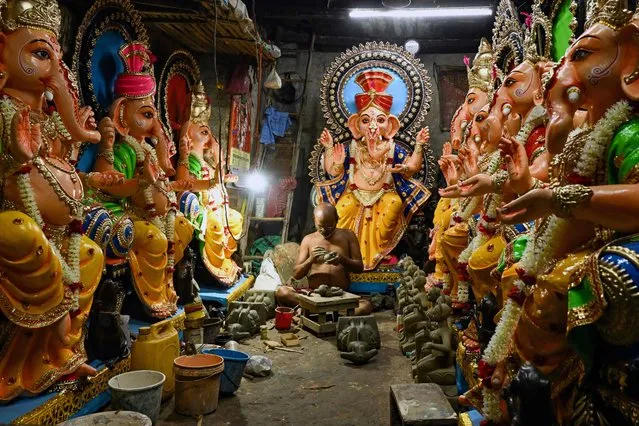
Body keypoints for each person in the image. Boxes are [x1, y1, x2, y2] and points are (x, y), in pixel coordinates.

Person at [275, 203, 373, 316]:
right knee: (282, 292)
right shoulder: (308, 240)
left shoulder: (348, 236)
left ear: (337, 219)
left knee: (366, 305)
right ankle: (332, 314)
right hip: (314, 295)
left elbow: (359, 268)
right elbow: (296, 274)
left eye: (329, 226)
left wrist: (342, 259)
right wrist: (311, 259)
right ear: (314, 220)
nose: (324, 230)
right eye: (320, 226)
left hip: (340, 295)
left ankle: (313, 312)